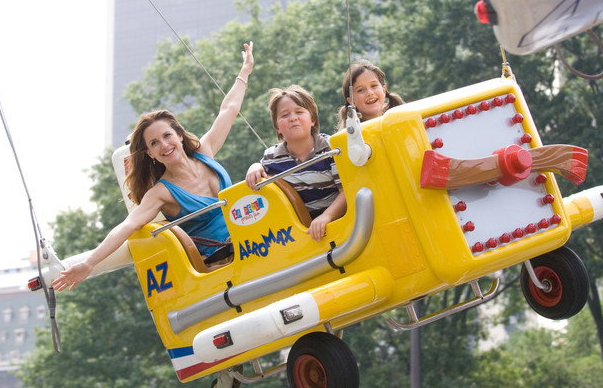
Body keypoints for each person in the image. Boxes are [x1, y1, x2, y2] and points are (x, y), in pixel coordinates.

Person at [52, 42, 255, 291]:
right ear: (150, 153)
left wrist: (245, 71)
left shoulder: (205, 152)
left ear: (179, 134)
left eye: (167, 136)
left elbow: (229, 109)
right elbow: (128, 226)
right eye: (154, 143)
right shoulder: (162, 192)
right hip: (222, 262)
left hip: (256, 239)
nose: (164, 145)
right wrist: (89, 264)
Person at [245, 85, 346, 241]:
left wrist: (327, 216)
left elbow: (346, 191)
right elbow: (261, 172)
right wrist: (255, 167)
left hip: (339, 223)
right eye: (285, 115)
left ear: (313, 119)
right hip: (298, 235)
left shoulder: (330, 147)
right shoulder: (271, 157)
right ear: (277, 127)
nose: (293, 118)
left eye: (299, 112)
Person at [337, 60, 405, 130]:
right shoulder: (352, 135)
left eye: (374, 86)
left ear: (384, 90)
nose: (370, 93)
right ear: (351, 101)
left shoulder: (404, 121)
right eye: (360, 90)